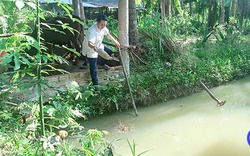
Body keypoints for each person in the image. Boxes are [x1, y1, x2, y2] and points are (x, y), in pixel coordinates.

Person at [82, 14, 120, 86]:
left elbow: (108, 35)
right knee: (93, 67)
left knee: (109, 51)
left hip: (98, 45)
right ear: (97, 22)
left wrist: (115, 42)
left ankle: (102, 64)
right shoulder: (91, 30)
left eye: (105, 25)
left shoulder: (103, 27)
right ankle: (96, 85)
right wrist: (94, 48)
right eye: (102, 25)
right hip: (90, 49)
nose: (103, 26)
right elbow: (89, 43)